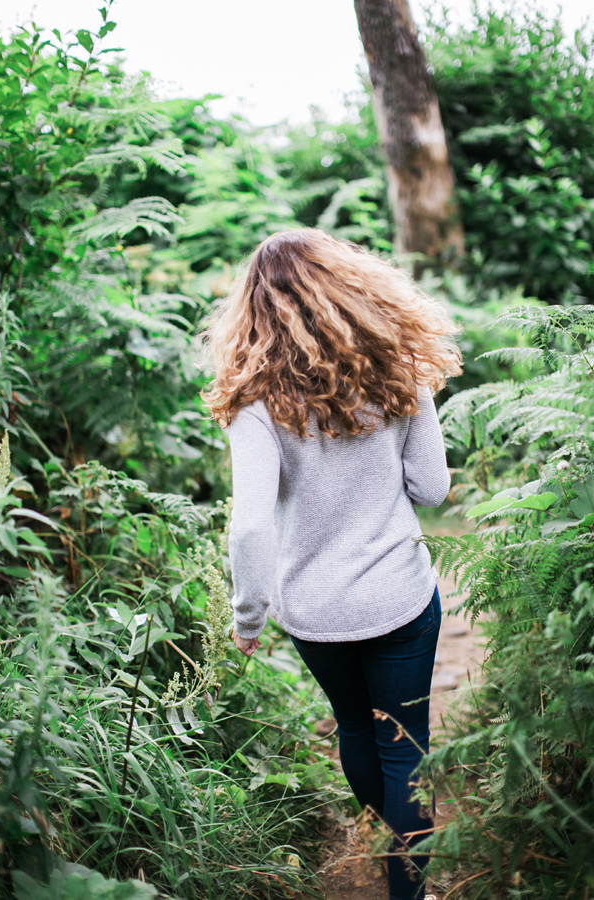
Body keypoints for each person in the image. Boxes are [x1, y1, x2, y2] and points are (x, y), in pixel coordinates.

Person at [203, 228, 462, 900]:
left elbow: (252, 523)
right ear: (352, 286)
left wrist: (248, 618)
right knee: (405, 745)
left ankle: (385, 849)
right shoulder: (399, 367)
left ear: (253, 310)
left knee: (355, 728)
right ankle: (410, 891)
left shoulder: (253, 403)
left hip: (315, 612)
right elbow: (433, 489)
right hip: (400, 598)